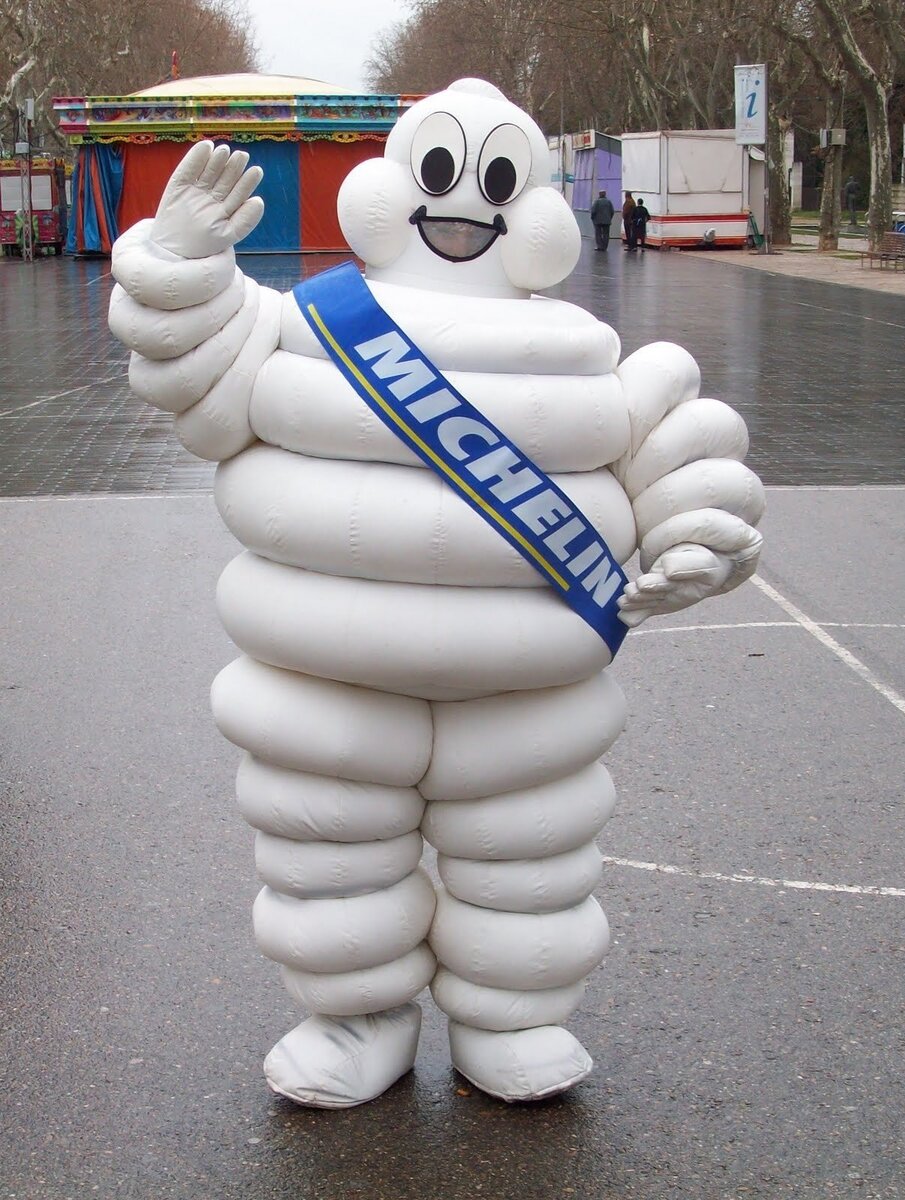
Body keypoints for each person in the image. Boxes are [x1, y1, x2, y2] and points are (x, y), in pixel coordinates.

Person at [109, 79, 763, 1110]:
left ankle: (511, 1018)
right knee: (329, 855)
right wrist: (181, 259)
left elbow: (673, 451)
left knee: (529, 860)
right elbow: (191, 361)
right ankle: (355, 1017)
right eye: (441, 171)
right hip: (329, 680)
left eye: (496, 179)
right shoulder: (302, 328)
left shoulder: (586, 367)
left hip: (525, 690)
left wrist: (696, 536)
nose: (464, 202)